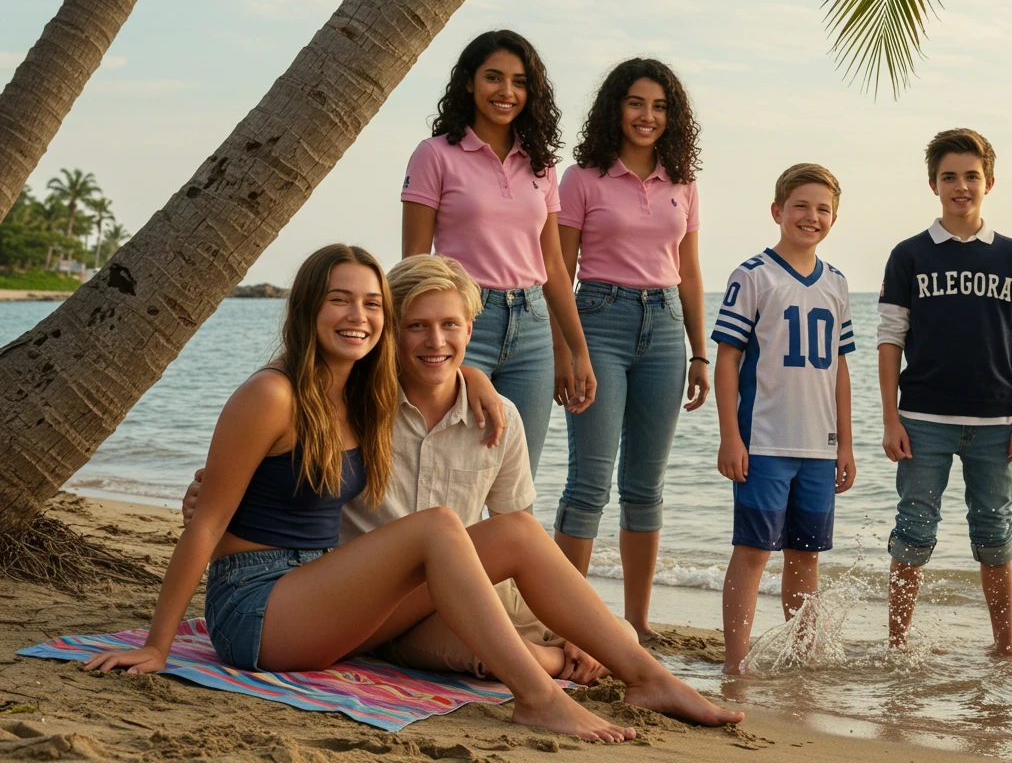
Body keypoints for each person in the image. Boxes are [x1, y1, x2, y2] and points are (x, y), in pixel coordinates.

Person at [83, 244, 743, 741]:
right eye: (342, 300)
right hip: (257, 610)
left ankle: (648, 677)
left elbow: (440, 360)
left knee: (515, 531)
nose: (359, 316)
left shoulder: (360, 392)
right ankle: (537, 696)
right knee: (437, 526)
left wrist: (479, 381)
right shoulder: (272, 393)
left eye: (372, 304)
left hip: (323, 594)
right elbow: (207, 523)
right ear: (310, 306)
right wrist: (157, 644)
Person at [180, 254, 620, 684]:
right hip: (356, 604)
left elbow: (512, 537)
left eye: (450, 325)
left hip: (454, 585)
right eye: (415, 326)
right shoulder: (354, 403)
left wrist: (473, 376)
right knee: (487, 647)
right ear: (391, 333)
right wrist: (213, 497)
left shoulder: (497, 415)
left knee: (605, 631)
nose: (435, 341)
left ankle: (634, 671)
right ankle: (549, 677)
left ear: (470, 328)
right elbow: (264, 458)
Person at [551, 58, 709, 642]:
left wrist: (699, 352)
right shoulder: (582, 178)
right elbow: (558, 271)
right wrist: (568, 352)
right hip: (598, 321)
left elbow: (690, 273)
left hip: (666, 327)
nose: (648, 116)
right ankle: (570, 624)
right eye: (637, 103)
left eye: (660, 106)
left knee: (646, 487)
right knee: (589, 482)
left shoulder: (683, 181)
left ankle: (637, 623)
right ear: (616, 107)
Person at [401, 29, 595, 475]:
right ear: (469, 82)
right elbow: (414, 261)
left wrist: (575, 351)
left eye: (520, 81)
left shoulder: (541, 164)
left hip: (532, 330)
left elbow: (553, 266)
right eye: (494, 77)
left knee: (517, 478)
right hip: (463, 325)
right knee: (453, 471)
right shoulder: (434, 155)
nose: (506, 92)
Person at [877, 128, 1012, 654]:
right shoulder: (908, 255)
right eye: (949, 177)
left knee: (995, 533)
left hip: (995, 419)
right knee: (914, 529)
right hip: (922, 417)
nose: (961, 186)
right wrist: (890, 418)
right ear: (933, 184)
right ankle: (898, 644)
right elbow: (889, 340)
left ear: (990, 182)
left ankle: (1006, 645)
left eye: (971, 176)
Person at [712, 164, 856, 674]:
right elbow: (727, 359)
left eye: (822, 209)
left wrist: (846, 445)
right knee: (753, 551)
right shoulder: (753, 276)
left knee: (806, 556)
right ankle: (736, 660)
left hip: (818, 447)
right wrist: (730, 436)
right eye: (800, 206)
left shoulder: (837, 284)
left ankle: (801, 655)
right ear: (777, 211)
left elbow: (840, 369)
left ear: (834, 218)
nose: (810, 217)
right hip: (765, 441)